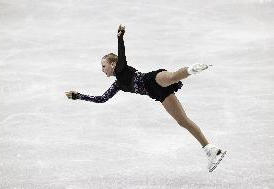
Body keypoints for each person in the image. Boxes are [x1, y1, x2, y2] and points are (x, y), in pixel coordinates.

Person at [65, 24, 226, 172]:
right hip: (157, 94)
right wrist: (79, 96)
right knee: (182, 121)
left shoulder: (120, 68)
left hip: (151, 79)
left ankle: (192, 69)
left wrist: (120, 38)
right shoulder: (117, 84)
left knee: (172, 77)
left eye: (104, 66)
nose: (102, 69)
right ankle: (211, 150)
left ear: (113, 64)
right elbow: (102, 98)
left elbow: (122, 54)